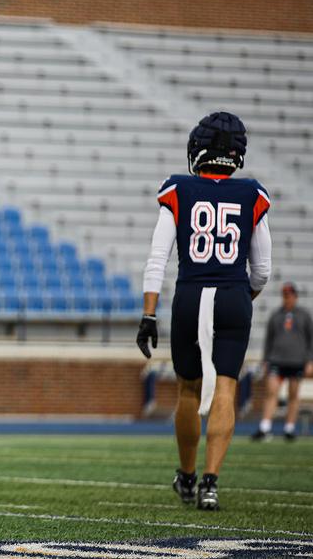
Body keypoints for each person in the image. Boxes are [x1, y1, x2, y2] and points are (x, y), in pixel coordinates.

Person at [138, 111, 272, 511]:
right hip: (233, 293)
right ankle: (211, 483)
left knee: (188, 388)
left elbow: (157, 257)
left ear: (199, 148)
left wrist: (149, 314)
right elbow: (262, 270)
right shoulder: (252, 194)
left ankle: (187, 474)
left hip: (191, 295)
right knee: (227, 386)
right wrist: (238, 300)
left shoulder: (178, 188)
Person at [252, 282, 312, 442]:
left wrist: (309, 361)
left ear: (295, 296)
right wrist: (265, 360)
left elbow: (310, 340)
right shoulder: (276, 315)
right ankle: (265, 427)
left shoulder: (304, 316)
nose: (287, 299)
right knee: (271, 392)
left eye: (289, 295)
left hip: (296, 361)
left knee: (293, 394)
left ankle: (289, 428)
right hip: (276, 360)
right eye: (284, 295)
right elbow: (268, 340)